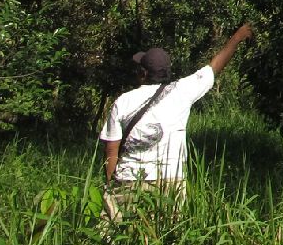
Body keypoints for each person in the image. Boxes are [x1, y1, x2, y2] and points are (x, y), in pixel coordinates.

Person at [99, 23, 253, 218]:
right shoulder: (181, 92)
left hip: (128, 180)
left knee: (115, 232)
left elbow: (111, 149)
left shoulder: (123, 101)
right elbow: (214, 67)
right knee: (166, 234)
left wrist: (110, 184)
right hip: (170, 182)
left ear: (143, 73)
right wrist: (238, 37)